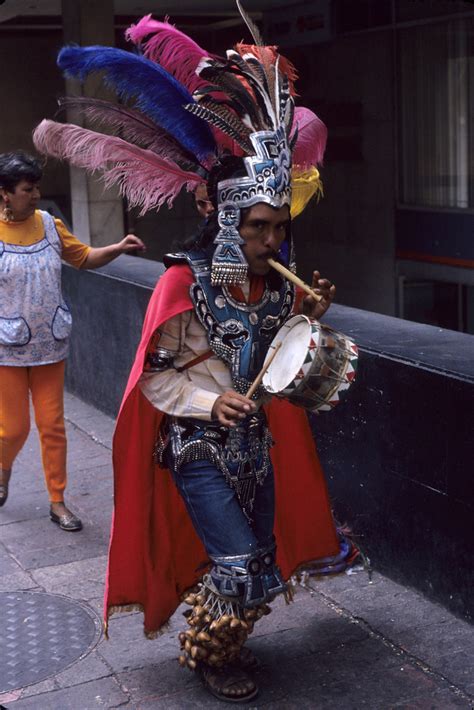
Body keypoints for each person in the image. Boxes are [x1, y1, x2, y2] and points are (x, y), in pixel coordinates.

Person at [33, 11, 357, 702]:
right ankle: (207, 652)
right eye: (260, 227)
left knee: (261, 560)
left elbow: (278, 366)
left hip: (257, 443)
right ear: (230, 223)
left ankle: (221, 637)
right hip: (197, 448)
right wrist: (213, 400)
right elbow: (156, 377)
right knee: (238, 560)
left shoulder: (272, 285)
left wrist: (307, 321)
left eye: (279, 226)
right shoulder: (184, 283)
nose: (272, 239)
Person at [0, 151, 145, 531]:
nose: (35, 196)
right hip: (6, 350)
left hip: (51, 344)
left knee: (52, 425)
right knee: (13, 429)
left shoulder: (49, 225)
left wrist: (116, 248)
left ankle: (57, 500)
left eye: (36, 188)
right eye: (27, 189)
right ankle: (3, 468)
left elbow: (82, 257)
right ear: (5, 194)